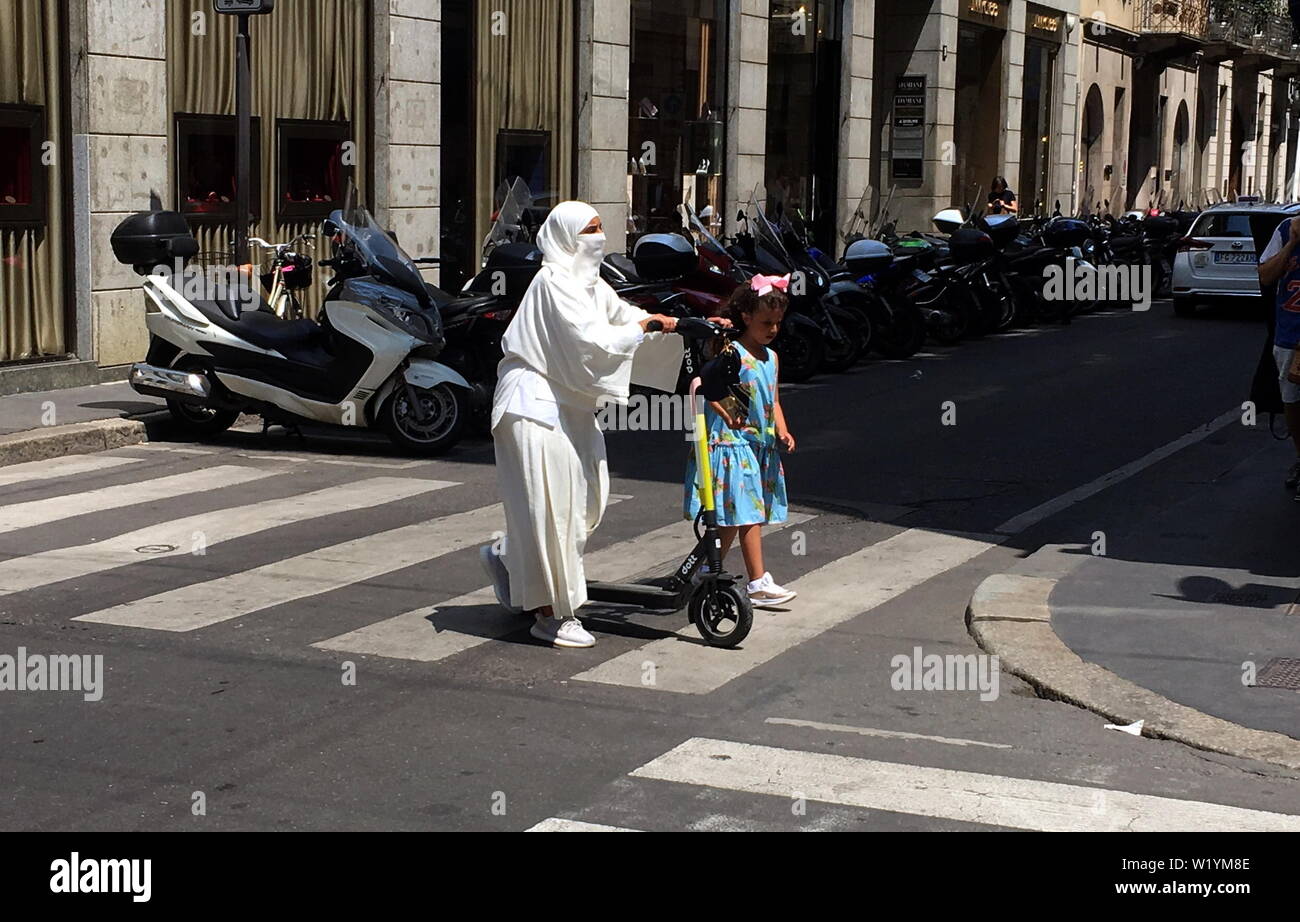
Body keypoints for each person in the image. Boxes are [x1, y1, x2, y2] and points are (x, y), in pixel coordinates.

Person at [478, 201, 686, 648]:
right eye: (589, 230)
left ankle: (511, 559)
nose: (599, 238)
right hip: (532, 405)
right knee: (553, 508)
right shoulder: (551, 283)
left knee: (583, 503)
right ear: (566, 238)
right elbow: (587, 341)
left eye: (600, 228)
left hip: (569, 404)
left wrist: (674, 323)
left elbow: (620, 315)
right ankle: (553, 613)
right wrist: (642, 328)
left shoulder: (588, 284)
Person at [684, 275, 797, 608]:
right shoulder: (732, 352)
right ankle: (757, 582)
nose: (773, 329)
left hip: (755, 444)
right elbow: (710, 386)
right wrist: (734, 415)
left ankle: (705, 566)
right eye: (766, 323)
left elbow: (773, 400)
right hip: (730, 442)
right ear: (746, 317)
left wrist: (782, 430)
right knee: (747, 511)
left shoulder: (771, 358)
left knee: (734, 515)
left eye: (777, 323)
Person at [1256, 213, 1300, 498]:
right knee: (1293, 402)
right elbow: (1265, 276)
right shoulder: (1285, 230)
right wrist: (1291, 245)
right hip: (1291, 335)